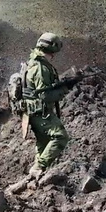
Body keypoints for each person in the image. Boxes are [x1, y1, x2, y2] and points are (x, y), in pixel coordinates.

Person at [23, 32, 78, 178]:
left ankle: (37, 174)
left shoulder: (33, 61)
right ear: (52, 50)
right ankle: (38, 167)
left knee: (44, 142)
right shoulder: (41, 68)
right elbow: (45, 95)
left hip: (33, 112)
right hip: (41, 112)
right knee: (60, 136)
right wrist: (65, 89)